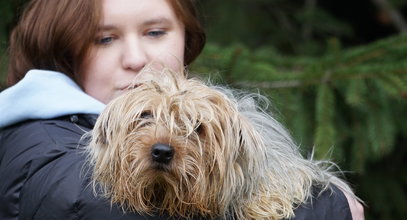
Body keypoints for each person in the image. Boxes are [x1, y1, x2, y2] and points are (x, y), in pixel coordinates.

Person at [0, 0, 363, 219]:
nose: (136, 59)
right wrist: (331, 209)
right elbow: (88, 205)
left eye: (155, 32)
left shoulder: (220, 118)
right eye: (105, 38)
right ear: (62, 49)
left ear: (187, 37)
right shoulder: (39, 136)